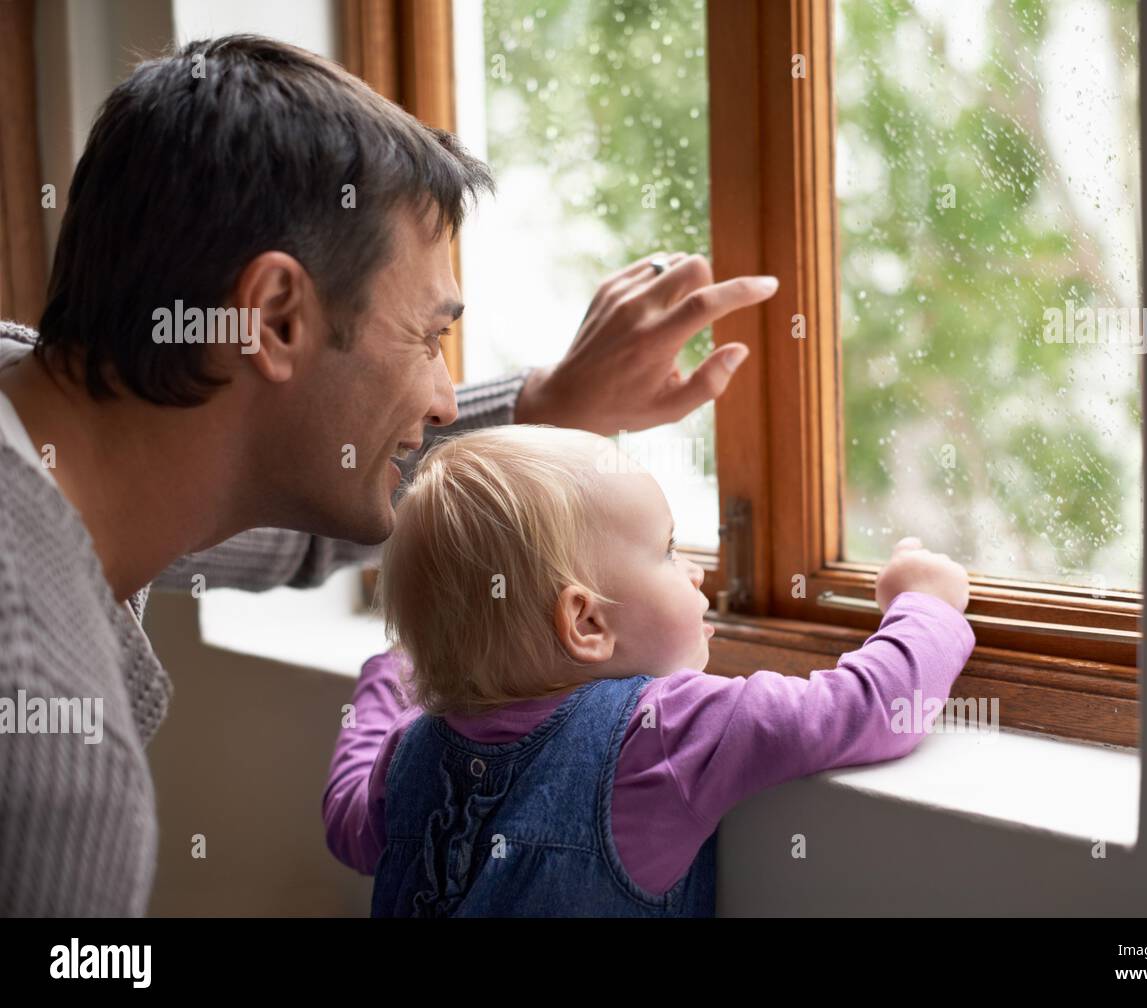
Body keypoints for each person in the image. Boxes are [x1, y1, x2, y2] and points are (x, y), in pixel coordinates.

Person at [0, 34, 777, 916]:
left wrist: (543, 410)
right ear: (276, 317)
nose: (446, 399)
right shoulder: (50, 749)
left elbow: (280, 520)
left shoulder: (54, 438)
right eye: (427, 338)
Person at [323, 426, 974, 916]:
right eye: (667, 550)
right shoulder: (665, 731)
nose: (695, 572)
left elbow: (345, 818)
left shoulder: (407, 753)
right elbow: (865, 708)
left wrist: (394, 667)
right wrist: (924, 604)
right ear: (586, 624)